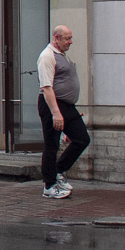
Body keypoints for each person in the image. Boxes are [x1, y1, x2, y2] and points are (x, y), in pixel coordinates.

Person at [38, 24, 90, 199]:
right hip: (52, 104)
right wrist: (56, 113)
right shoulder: (47, 57)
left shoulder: (62, 55)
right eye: (67, 38)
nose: (71, 42)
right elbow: (46, 88)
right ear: (56, 38)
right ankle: (49, 186)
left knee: (82, 139)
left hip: (67, 106)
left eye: (70, 38)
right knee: (51, 145)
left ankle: (58, 170)